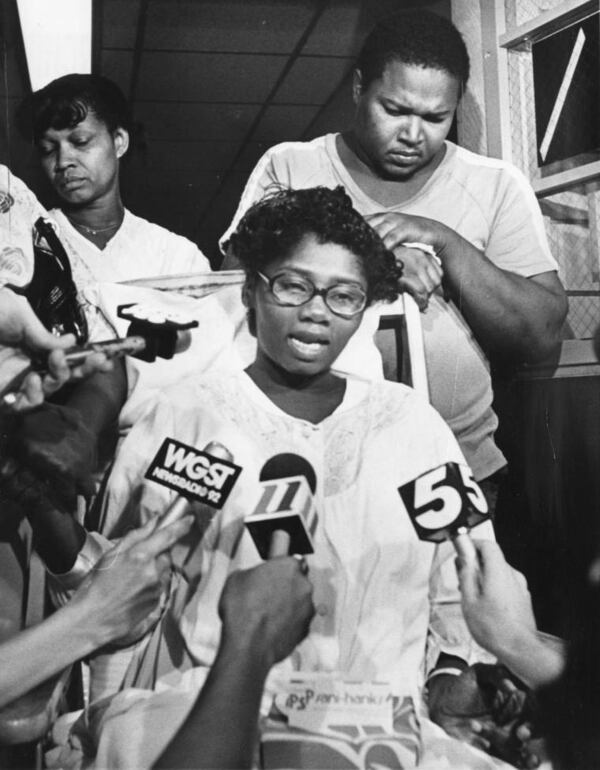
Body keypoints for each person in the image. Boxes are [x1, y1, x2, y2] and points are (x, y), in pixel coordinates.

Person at [45, 187, 519, 769]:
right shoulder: (187, 417)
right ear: (250, 291)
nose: (317, 310)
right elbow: (115, 583)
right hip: (209, 710)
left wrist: (452, 676)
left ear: (365, 307)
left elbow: (467, 578)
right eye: (293, 286)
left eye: (344, 295)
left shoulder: (412, 428)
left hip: (377, 725)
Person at [219, 9, 568, 499]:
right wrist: (374, 258)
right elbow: (230, 300)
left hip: (454, 464)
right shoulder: (290, 166)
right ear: (360, 88)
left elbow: (542, 333)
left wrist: (443, 239)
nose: (412, 134)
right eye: (395, 109)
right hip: (301, 458)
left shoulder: (494, 185)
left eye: (434, 118)